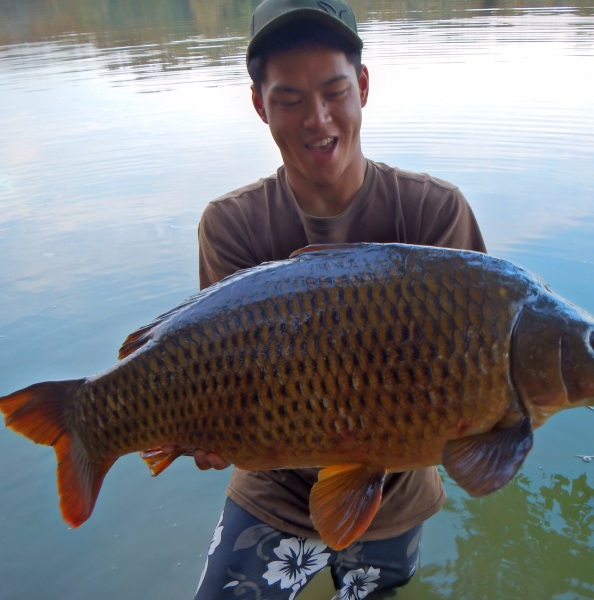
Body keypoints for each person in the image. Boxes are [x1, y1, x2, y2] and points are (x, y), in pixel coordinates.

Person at [193, 1, 486, 598]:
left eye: (334, 90)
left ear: (364, 86)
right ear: (259, 106)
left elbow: (473, 381)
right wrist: (203, 425)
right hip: (274, 486)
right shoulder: (232, 225)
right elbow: (218, 377)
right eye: (289, 99)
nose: (317, 118)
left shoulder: (434, 212)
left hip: (393, 490)